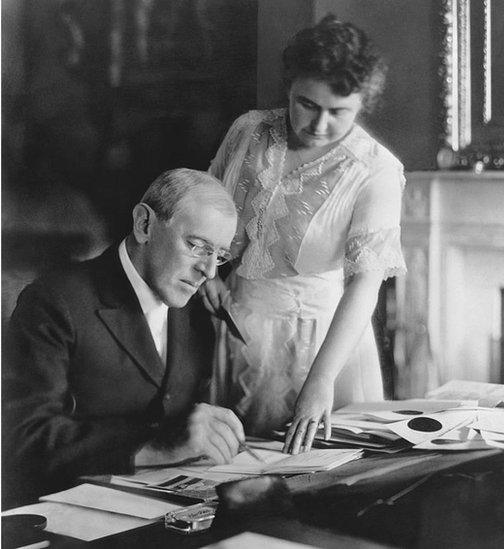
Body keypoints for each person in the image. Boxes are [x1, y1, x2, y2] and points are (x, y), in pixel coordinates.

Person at [202, 16, 407, 453]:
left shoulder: (375, 171)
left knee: (315, 476)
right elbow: (204, 212)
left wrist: (321, 381)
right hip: (236, 327)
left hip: (321, 341)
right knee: (229, 472)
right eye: (307, 104)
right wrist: (210, 275)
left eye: (339, 112)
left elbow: (364, 283)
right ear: (289, 87)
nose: (318, 124)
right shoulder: (249, 131)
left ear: (362, 104)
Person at [3, 168, 245, 506]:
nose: (209, 271)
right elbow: (24, 439)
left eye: (219, 255)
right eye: (197, 246)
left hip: (168, 511)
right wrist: (161, 445)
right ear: (144, 225)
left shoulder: (196, 309)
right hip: (70, 514)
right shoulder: (56, 301)